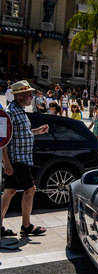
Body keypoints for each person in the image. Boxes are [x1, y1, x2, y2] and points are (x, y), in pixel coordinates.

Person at [1, 81, 49, 237]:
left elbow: (23, 133)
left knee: (9, 191)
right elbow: (3, 139)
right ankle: (26, 226)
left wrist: (37, 131)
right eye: (29, 94)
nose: (32, 97)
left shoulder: (20, 111)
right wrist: (6, 162)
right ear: (20, 95)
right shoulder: (9, 112)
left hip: (22, 159)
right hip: (17, 160)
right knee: (30, 189)